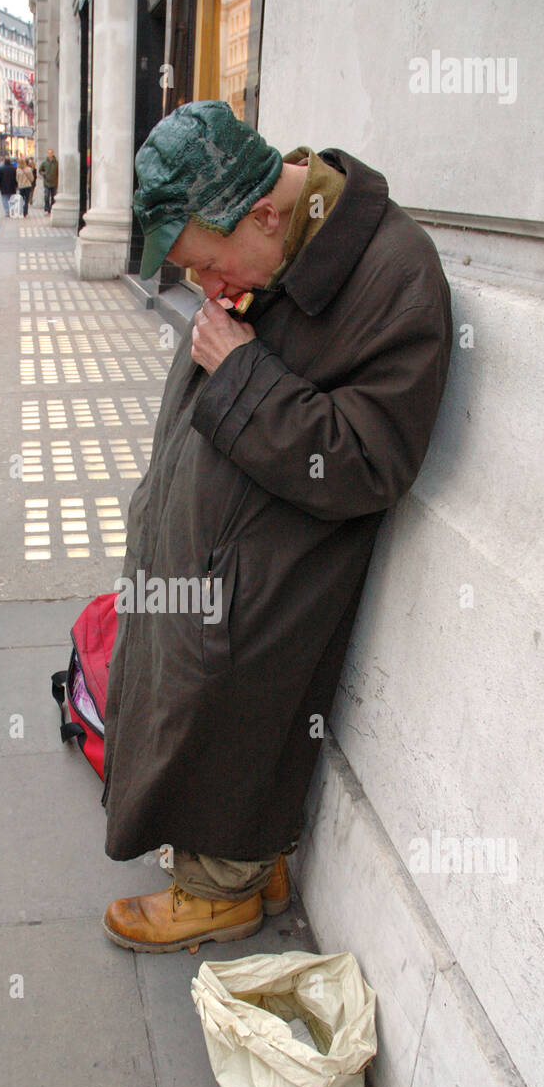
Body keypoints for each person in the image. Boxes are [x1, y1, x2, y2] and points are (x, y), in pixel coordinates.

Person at [100, 99, 453, 953]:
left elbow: (370, 460)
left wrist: (241, 372)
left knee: (231, 707)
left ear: (263, 211)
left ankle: (223, 892)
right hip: (214, 552)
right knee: (184, 693)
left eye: (209, 266)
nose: (209, 291)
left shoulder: (396, 273)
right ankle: (239, 860)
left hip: (266, 578)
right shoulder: (275, 243)